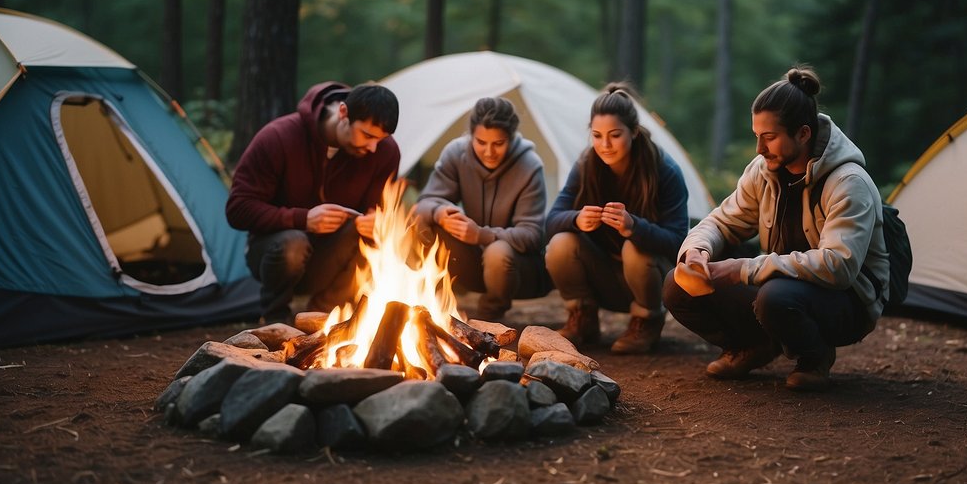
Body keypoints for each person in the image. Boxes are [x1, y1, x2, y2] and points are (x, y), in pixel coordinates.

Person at [664, 66, 888, 391]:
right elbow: (722, 221)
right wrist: (698, 249)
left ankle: (815, 355)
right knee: (676, 285)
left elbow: (839, 266)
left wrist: (743, 269)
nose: (759, 148)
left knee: (774, 298)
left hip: (847, 301)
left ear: (803, 134)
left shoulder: (848, 183)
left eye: (768, 137)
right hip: (782, 287)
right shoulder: (763, 170)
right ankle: (753, 347)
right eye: (757, 135)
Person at [226, 81, 400, 323]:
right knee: (293, 243)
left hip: (332, 255)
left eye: (380, 139)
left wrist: (377, 222)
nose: (373, 147)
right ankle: (276, 320)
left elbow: (379, 209)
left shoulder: (385, 152)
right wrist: (303, 219)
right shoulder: (279, 137)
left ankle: (322, 319)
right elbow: (237, 210)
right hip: (274, 252)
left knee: (373, 239)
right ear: (343, 113)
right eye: (368, 135)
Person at [544, 83, 689, 354]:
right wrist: (577, 219)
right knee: (561, 242)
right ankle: (582, 318)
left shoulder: (663, 169)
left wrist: (635, 227)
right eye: (597, 135)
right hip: (603, 275)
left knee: (634, 246)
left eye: (614, 135)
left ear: (633, 131)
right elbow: (551, 222)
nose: (605, 145)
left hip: (650, 278)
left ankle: (647, 321)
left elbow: (679, 242)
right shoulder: (587, 164)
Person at [413, 97, 551, 321]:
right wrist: (441, 213)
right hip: (474, 260)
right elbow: (425, 203)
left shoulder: (529, 166)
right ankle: (433, 305)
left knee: (497, 252)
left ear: (511, 137)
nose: (489, 152)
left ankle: (491, 316)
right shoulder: (456, 153)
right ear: (470, 135)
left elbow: (533, 235)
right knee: (420, 224)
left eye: (498, 143)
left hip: (520, 270)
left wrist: (481, 234)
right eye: (480, 142)